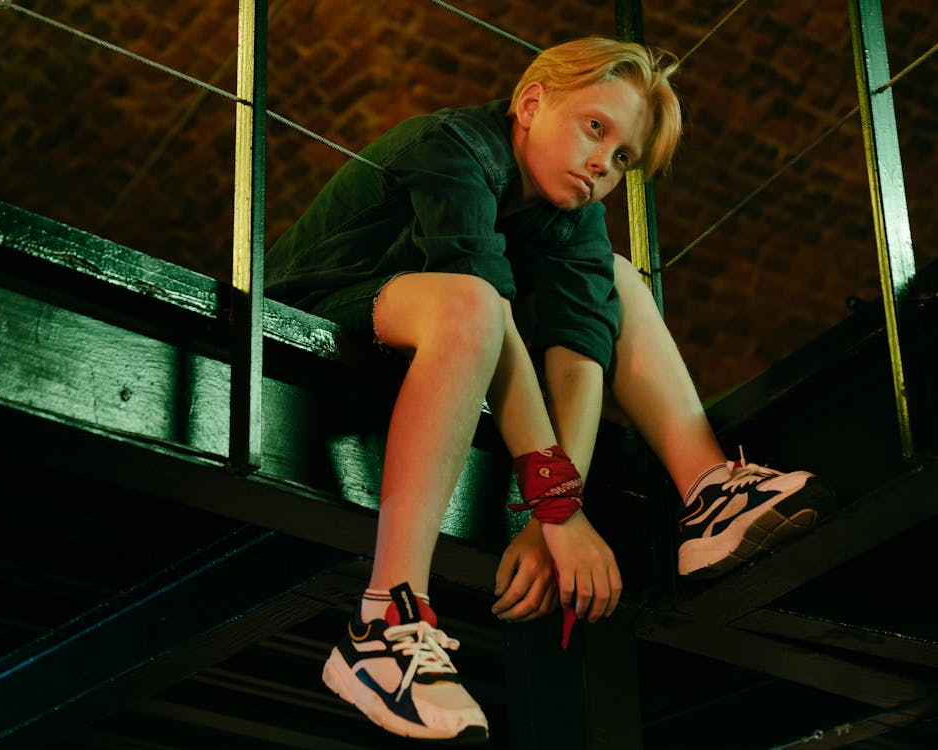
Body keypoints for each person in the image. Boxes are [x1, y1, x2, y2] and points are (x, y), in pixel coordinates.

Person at [264, 37, 835, 744]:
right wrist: (560, 509)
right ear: (531, 103)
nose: (602, 165)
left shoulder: (572, 213)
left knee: (616, 283)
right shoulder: (454, 145)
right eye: (596, 128)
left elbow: (578, 354)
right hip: (323, 315)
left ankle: (708, 490)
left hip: (447, 335)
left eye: (623, 158)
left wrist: (545, 520)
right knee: (475, 303)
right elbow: (488, 316)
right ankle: (382, 623)